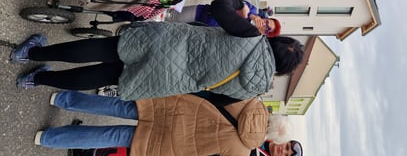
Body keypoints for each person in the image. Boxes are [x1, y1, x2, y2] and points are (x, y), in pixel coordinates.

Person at [10, 23, 304, 100]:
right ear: (281, 71)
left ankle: (30, 53)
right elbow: (212, 97)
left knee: (101, 49)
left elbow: (220, 5)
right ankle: (36, 79)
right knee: (102, 77)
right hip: (170, 79)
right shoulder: (253, 91)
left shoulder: (252, 36)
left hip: (166, 44)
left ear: (276, 41)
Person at [33, 90, 293, 155]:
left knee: (118, 106)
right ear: (271, 138)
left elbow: (208, 90)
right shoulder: (242, 151)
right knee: (112, 137)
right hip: (172, 143)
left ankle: (61, 98)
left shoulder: (249, 101)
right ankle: (46, 138)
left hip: (173, 108)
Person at [165, 0, 282, 38]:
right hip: (202, 14)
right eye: (267, 22)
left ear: (265, 34)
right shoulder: (252, 10)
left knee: (169, 32)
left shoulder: (249, 36)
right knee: (169, 16)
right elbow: (232, 1)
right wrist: (250, 15)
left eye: (267, 29)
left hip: (201, 34)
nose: (264, 24)